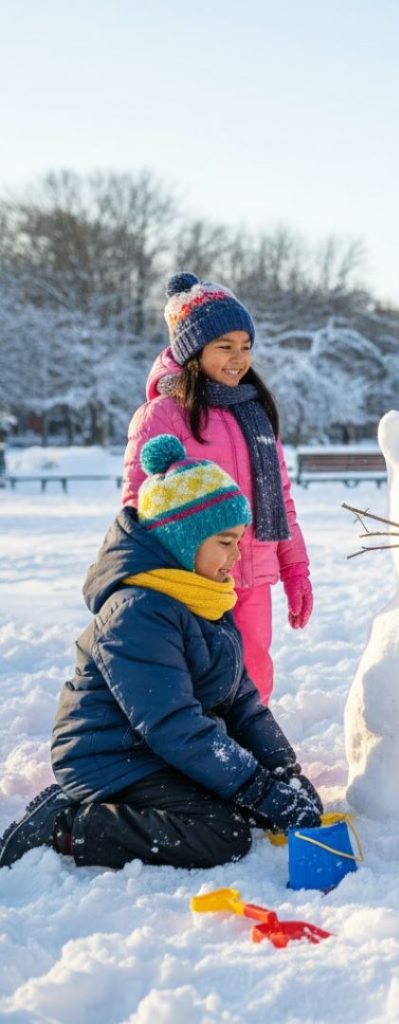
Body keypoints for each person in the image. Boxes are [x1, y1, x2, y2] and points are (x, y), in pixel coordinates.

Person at [0, 436, 323, 870]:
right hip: (111, 757)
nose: (236, 555)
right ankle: (68, 823)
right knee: (222, 834)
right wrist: (260, 791)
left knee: (249, 805)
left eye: (238, 541)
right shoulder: (137, 612)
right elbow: (172, 723)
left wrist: (284, 773)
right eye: (225, 541)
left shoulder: (204, 597)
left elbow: (242, 703)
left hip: (159, 749)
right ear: (184, 540)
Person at [123, 272, 312, 703]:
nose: (238, 358)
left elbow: (281, 500)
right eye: (224, 346)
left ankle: (251, 742)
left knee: (254, 674)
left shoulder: (256, 414)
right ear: (193, 350)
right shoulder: (164, 414)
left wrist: (296, 570)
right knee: (197, 679)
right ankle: (201, 745)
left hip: (254, 573)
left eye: (245, 346)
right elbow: (139, 505)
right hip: (192, 579)